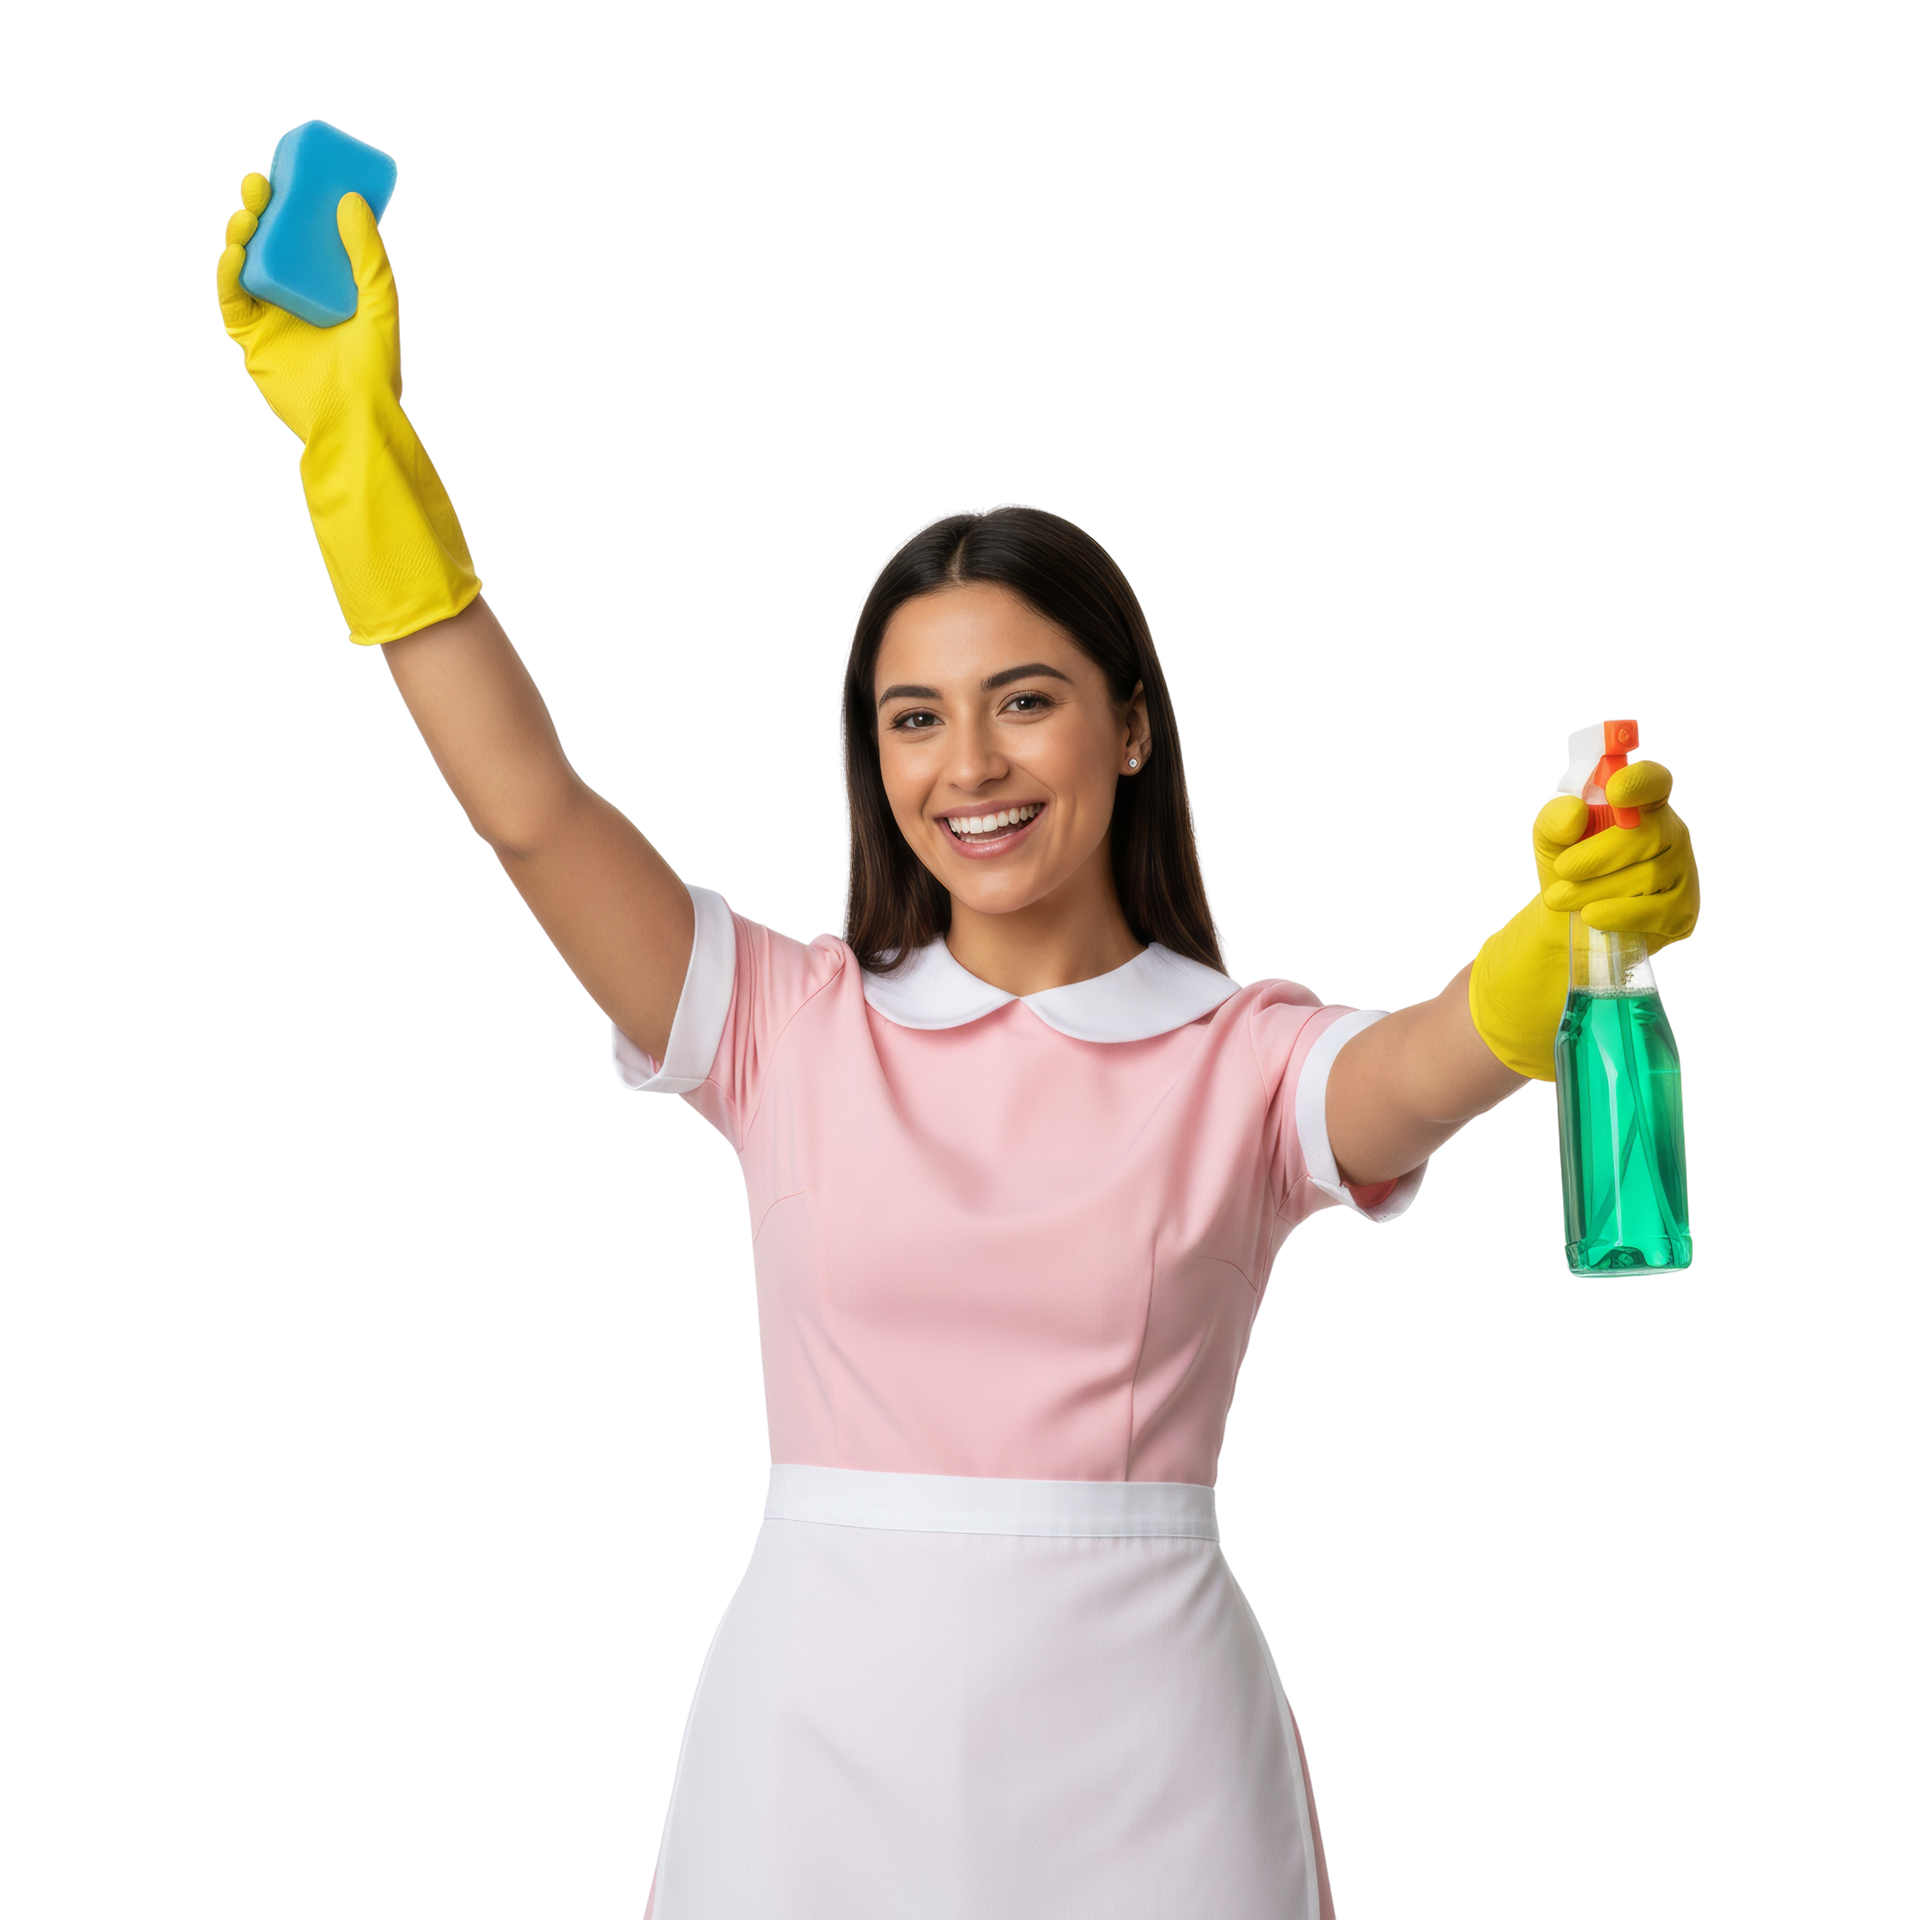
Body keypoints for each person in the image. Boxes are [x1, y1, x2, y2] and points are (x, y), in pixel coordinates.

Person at [213, 174, 1703, 1920]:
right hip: (810, 1759)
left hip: (1154, 1772)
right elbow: (531, 812)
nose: (969, 767)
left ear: (1132, 724)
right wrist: (358, 461)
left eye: (1026, 700)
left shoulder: (1240, 1061)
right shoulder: (779, 1023)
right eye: (914, 717)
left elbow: (1433, 1059)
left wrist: (1552, 948)